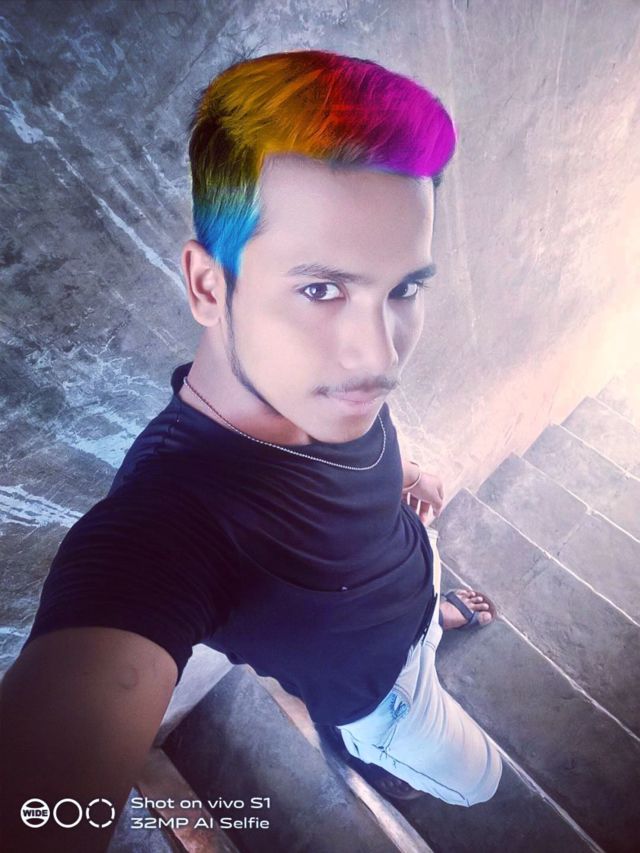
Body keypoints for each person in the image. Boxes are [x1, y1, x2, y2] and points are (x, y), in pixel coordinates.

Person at [0, 49, 501, 851]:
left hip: (412, 573)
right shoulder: (168, 526)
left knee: (425, 608)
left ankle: (433, 617)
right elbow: (43, 791)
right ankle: (365, 748)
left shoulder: (316, 384)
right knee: (484, 780)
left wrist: (403, 472)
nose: (380, 356)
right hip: (385, 701)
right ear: (208, 285)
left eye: (403, 288)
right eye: (320, 289)